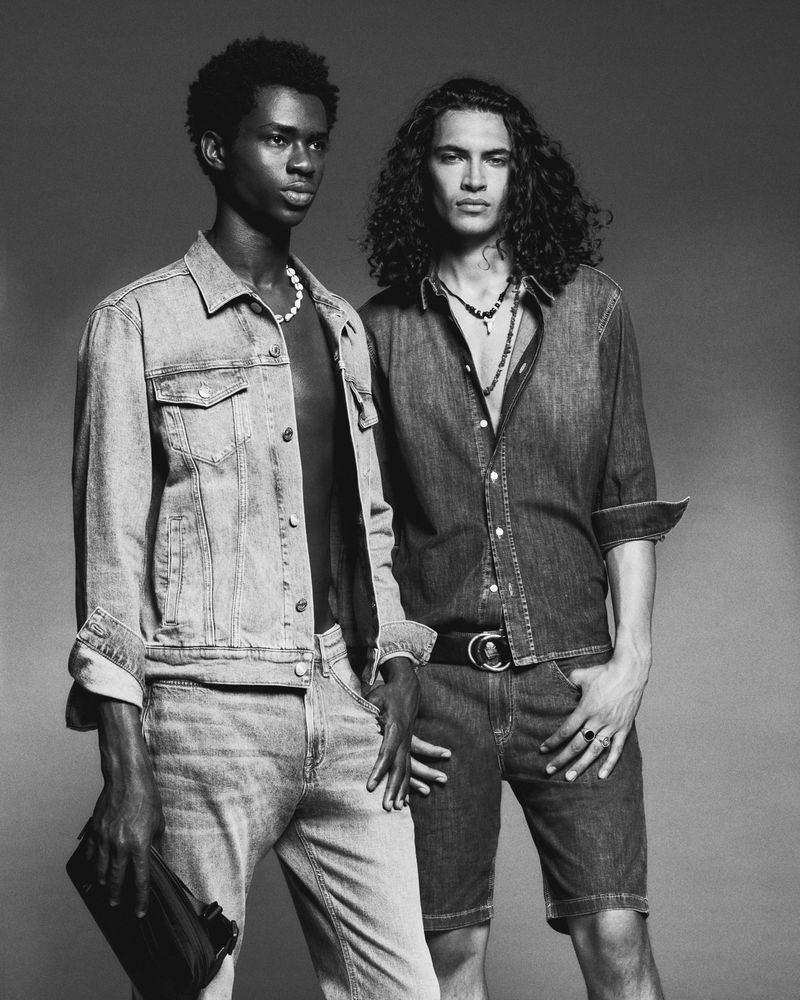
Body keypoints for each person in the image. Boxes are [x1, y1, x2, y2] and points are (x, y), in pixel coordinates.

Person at [66, 36, 440, 1000]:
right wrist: (125, 764)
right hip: (206, 714)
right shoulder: (137, 323)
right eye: (277, 139)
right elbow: (112, 554)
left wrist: (397, 661)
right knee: (193, 987)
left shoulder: (342, 326)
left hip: (343, 705)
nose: (303, 161)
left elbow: (367, 522)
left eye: (315, 142)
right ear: (214, 149)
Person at [360, 77, 689, 1000]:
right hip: (441, 693)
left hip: (572, 679)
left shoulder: (593, 311)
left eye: (495, 159)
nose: (474, 178)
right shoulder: (377, 332)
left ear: (521, 176)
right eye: (452, 156)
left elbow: (626, 504)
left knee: (616, 939)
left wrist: (631, 664)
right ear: (422, 174)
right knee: (446, 958)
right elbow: (368, 531)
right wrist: (387, 684)